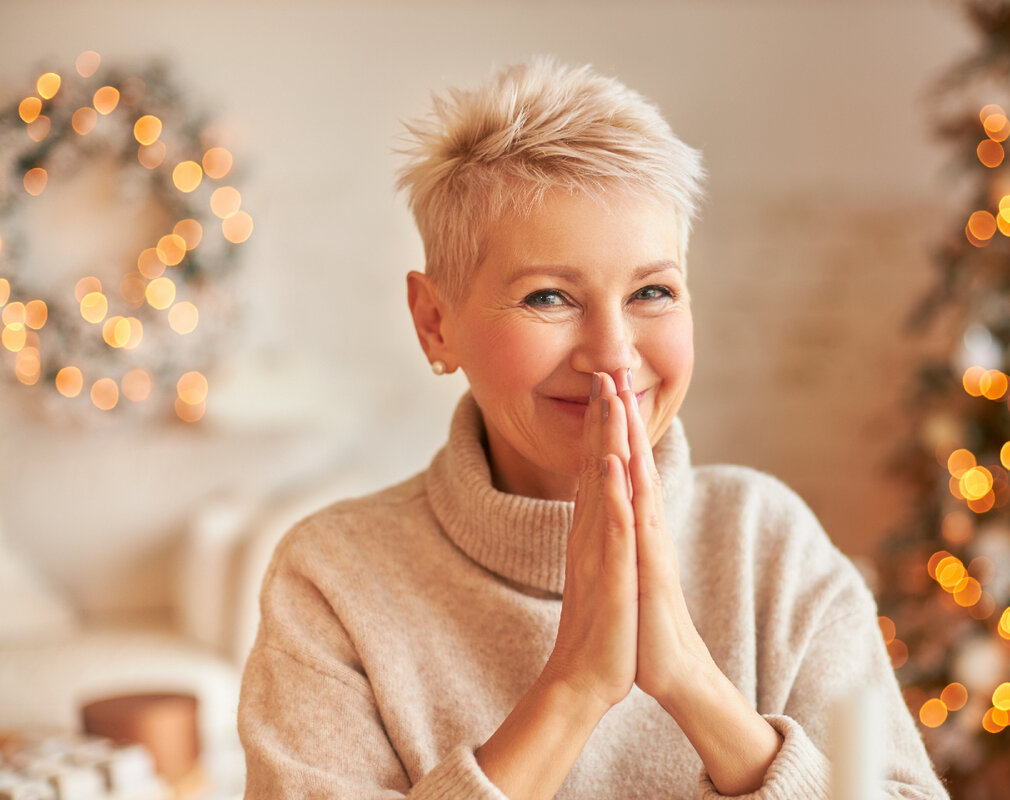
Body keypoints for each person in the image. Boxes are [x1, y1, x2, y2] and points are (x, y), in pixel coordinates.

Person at [237, 57, 948, 800]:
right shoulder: (331, 579)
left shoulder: (769, 544)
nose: (613, 354)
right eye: (548, 297)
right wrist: (573, 688)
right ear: (435, 322)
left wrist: (692, 684)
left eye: (652, 291)